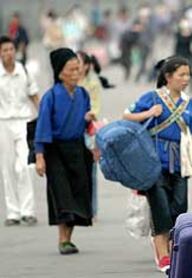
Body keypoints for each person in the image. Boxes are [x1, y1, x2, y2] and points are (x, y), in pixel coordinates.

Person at [123, 56, 192, 273]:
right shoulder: (152, 98)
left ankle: (173, 249)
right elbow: (127, 115)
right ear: (168, 77)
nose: (186, 79)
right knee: (160, 208)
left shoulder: (189, 103)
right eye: (181, 75)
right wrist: (149, 113)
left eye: (188, 74)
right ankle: (163, 255)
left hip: (180, 162)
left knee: (179, 208)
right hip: (154, 162)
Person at [35, 48, 95, 255]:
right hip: (55, 150)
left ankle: (69, 238)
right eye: (72, 69)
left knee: (78, 192)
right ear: (60, 72)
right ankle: (62, 239)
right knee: (62, 194)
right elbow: (42, 128)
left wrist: (90, 123)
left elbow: (87, 125)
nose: (77, 73)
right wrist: (40, 156)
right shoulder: (50, 97)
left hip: (77, 148)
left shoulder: (83, 94)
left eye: (78, 69)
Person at [0, 35, 39, 226]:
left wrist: (43, 118)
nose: (8, 53)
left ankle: (28, 210)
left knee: (24, 166)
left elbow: (34, 95)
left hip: (24, 121)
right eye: (5, 50)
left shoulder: (24, 70)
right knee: (7, 168)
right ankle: (13, 212)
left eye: (11, 49)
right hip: (3, 122)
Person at [78, 51, 103, 220]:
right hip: (72, 132)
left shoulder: (92, 83)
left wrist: (83, 115)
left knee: (90, 173)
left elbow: (95, 109)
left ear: (86, 65)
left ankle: (91, 209)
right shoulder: (67, 81)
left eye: (78, 62)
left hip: (88, 131)